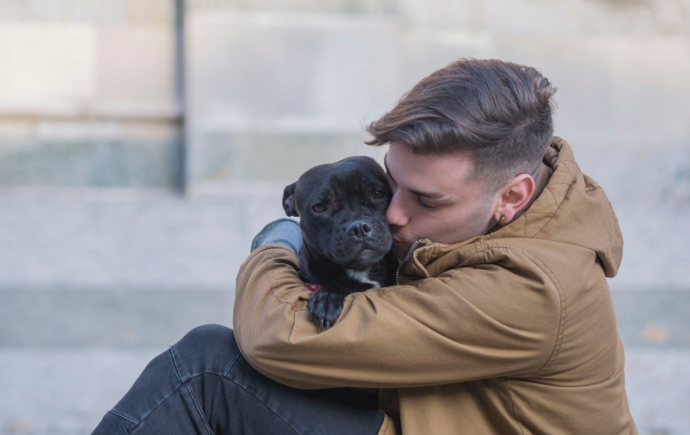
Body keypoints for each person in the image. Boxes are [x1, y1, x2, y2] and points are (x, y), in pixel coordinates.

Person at [92, 59, 637, 434]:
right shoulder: (510, 205)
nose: (395, 215)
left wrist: (277, 238)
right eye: (390, 187)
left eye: (425, 199)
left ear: (510, 195)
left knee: (206, 366)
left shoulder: (534, 289)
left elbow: (279, 337)